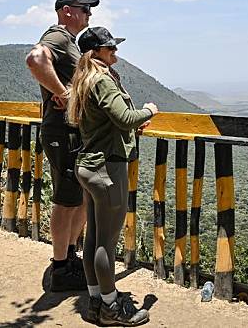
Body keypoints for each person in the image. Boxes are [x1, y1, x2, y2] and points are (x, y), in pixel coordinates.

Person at [68, 26, 158, 326]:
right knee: (106, 241)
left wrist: (129, 125)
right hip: (107, 169)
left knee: (94, 237)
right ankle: (111, 307)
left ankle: (96, 301)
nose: (115, 54)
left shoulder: (83, 80)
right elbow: (124, 117)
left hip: (88, 166)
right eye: (111, 49)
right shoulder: (102, 80)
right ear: (96, 53)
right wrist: (148, 111)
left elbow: (109, 123)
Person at [26, 0, 99, 291]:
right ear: (67, 10)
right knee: (65, 200)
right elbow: (34, 59)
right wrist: (62, 92)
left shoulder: (70, 41)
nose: (89, 15)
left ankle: (68, 258)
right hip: (61, 132)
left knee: (79, 197)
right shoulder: (56, 36)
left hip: (72, 132)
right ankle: (60, 268)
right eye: (85, 9)